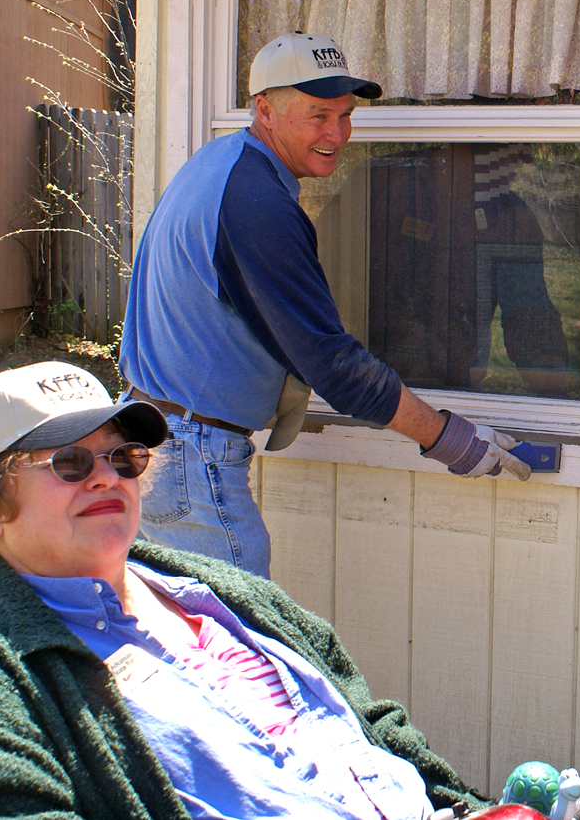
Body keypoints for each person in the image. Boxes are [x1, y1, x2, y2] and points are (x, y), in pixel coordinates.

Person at [0, 361, 490, 820]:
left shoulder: (222, 594)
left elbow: (373, 725)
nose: (106, 476)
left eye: (123, 456)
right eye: (68, 461)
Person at [120, 32, 530, 577]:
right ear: (264, 109)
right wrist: (450, 439)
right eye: (317, 115)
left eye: (346, 115)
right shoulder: (256, 203)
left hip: (155, 435)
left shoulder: (223, 164)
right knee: (239, 643)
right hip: (190, 456)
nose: (337, 134)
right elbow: (331, 364)